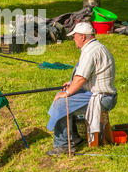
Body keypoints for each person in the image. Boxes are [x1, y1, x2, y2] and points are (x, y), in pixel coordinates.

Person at [46, 22, 117, 155]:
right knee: (64, 96)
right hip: (102, 94)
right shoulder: (96, 47)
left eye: (74, 36)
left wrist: (68, 92)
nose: (73, 39)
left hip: (103, 98)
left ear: (83, 37)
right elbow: (88, 76)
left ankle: (63, 145)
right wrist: (71, 84)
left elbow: (81, 78)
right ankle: (74, 138)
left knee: (62, 103)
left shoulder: (90, 52)